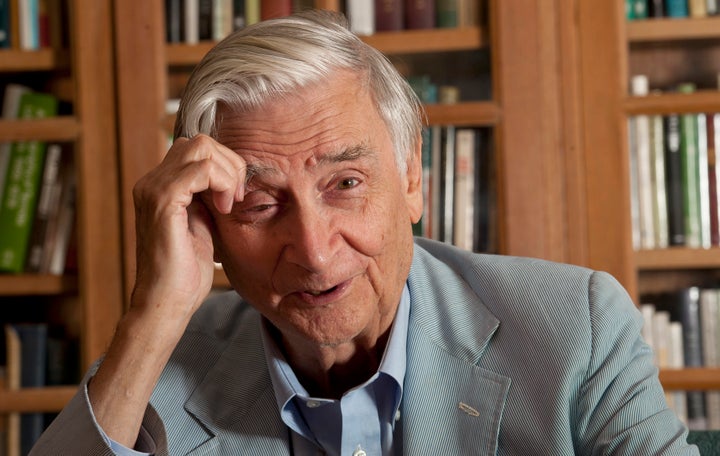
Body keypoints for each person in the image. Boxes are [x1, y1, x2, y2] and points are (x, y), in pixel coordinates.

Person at [31, 10, 698, 455]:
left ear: (412, 181)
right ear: (208, 221)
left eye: (345, 184)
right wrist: (153, 313)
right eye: (260, 204)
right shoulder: (154, 375)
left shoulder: (573, 329)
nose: (316, 251)